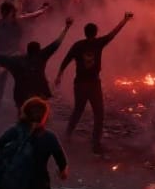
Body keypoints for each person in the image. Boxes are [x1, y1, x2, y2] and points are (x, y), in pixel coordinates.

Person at [55, 12, 133, 155]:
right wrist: (124, 20)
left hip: (80, 83)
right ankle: (95, 143)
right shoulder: (98, 43)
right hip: (92, 84)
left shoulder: (78, 45)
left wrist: (59, 75)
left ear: (85, 33)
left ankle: (68, 134)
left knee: (79, 110)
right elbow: (113, 34)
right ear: (95, 33)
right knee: (98, 113)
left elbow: (66, 60)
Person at [0, 17, 73, 110]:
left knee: (23, 116)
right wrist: (66, 28)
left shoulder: (17, 61)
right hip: (38, 93)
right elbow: (56, 44)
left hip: (21, 95)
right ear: (38, 51)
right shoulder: (41, 56)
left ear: (27, 51)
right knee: (38, 116)